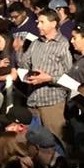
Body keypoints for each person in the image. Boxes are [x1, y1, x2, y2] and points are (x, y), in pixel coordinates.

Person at [15, 9, 72, 144]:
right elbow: (24, 64)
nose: (38, 26)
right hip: (33, 101)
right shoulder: (36, 43)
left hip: (52, 102)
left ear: (53, 23)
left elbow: (69, 76)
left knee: (58, 141)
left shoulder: (63, 44)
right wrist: (19, 50)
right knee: (33, 143)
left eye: (42, 22)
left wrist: (49, 78)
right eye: (38, 22)